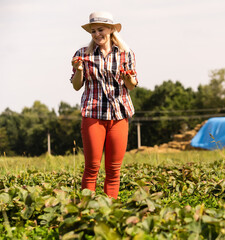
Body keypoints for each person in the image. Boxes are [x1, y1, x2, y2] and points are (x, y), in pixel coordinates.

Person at [70, 12, 138, 199]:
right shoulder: (83, 54)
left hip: (119, 114)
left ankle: (110, 210)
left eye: (100, 29)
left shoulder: (126, 54)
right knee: (92, 167)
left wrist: (128, 79)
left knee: (113, 169)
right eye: (93, 31)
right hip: (93, 112)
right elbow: (77, 86)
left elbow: (131, 86)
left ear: (111, 29)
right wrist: (79, 70)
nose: (97, 34)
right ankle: (86, 210)